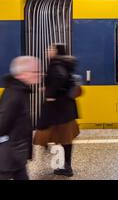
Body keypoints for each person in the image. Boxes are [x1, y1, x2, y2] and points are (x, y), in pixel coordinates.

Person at [0, 56, 40, 180]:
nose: (39, 74)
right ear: (22, 74)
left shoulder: (21, 91)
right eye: (35, 72)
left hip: (16, 154)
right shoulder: (13, 94)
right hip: (7, 155)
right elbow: (1, 123)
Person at [33, 44, 80, 177]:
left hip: (60, 110)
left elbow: (59, 78)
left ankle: (66, 167)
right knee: (64, 138)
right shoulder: (64, 63)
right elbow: (63, 80)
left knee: (62, 137)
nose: (47, 51)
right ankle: (64, 165)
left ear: (56, 52)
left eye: (50, 49)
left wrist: (51, 95)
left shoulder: (56, 64)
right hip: (66, 109)